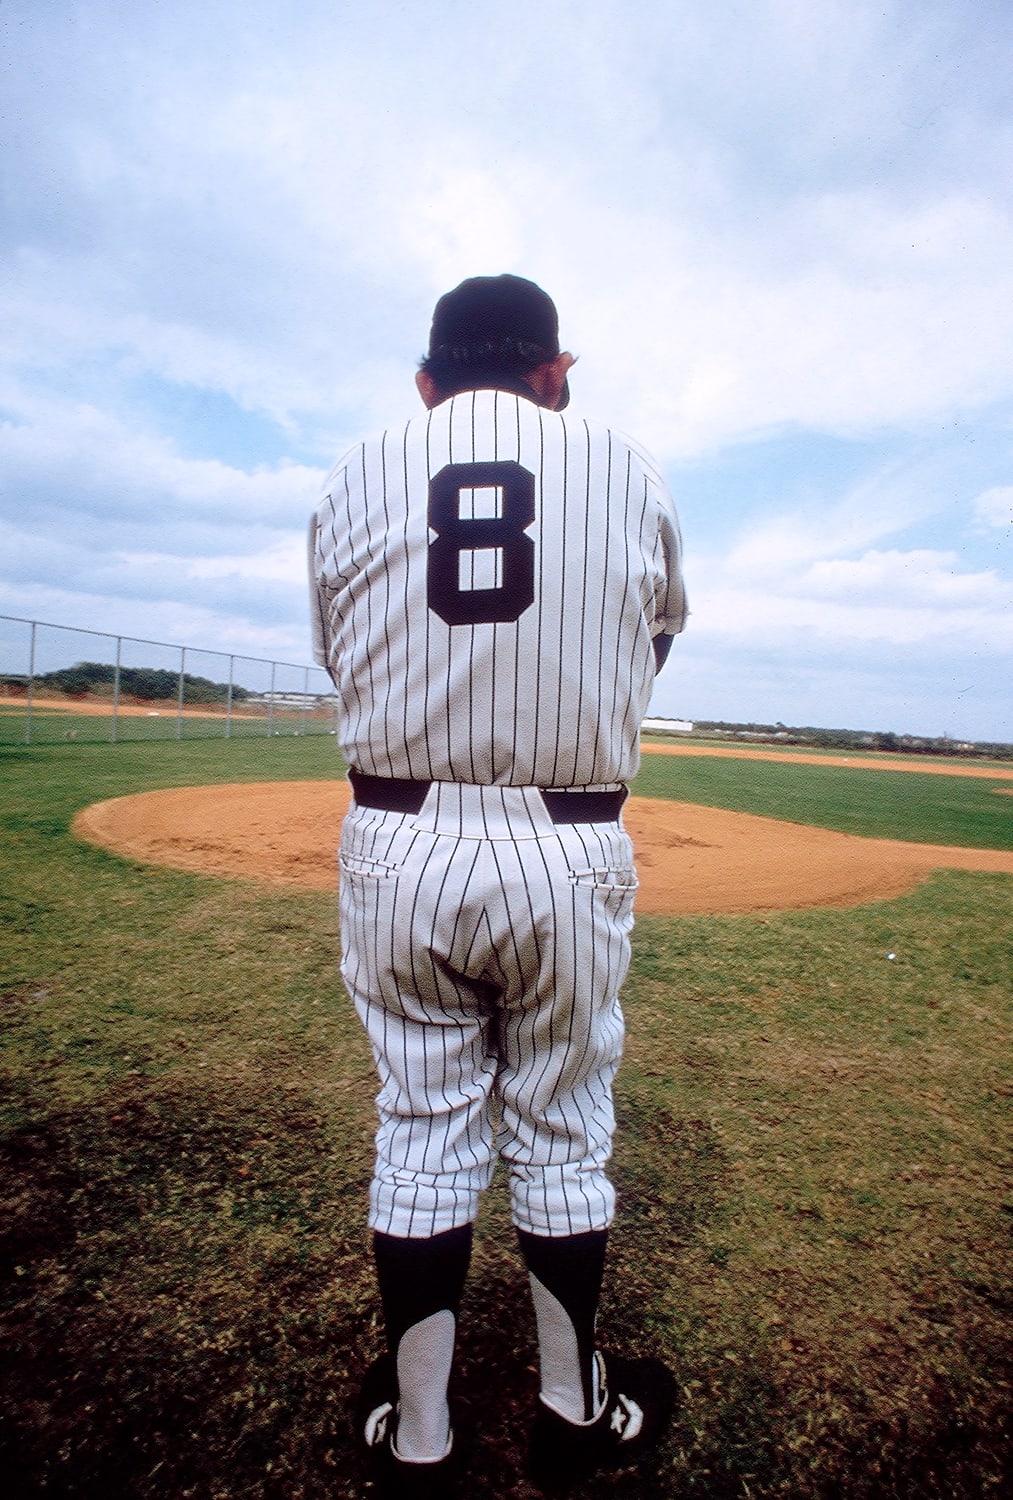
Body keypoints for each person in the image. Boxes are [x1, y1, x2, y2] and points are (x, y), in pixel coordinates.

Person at [309, 274, 687, 1496]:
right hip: (567, 844)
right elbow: (655, 634)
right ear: (553, 373)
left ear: (427, 384)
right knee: (561, 1131)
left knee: (420, 1129)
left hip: (397, 836)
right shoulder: (622, 464)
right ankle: (573, 1418)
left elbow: (338, 645)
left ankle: (418, 1442)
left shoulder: (359, 464)